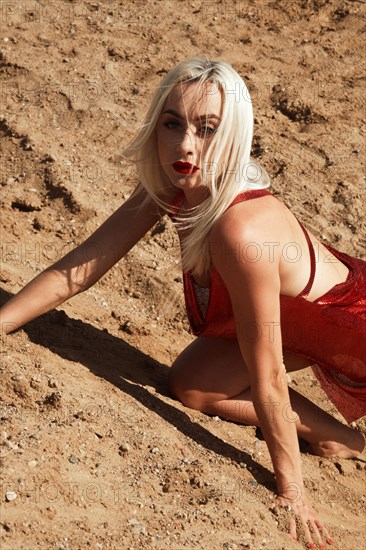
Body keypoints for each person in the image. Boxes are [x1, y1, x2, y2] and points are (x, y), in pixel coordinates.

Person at [1, 57, 365, 547]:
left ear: (234, 133)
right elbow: (85, 264)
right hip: (304, 314)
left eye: (208, 128)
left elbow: (270, 376)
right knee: (191, 384)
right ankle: (336, 436)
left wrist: (292, 489)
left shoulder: (241, 229)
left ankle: (327, 443)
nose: (186, 144)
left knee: (255, 374)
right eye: (173, 124)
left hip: (350, 324)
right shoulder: (179, 185)